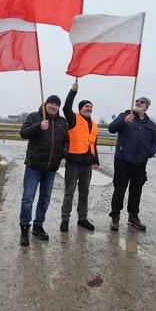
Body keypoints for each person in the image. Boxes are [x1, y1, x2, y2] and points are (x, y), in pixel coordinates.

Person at [19, 94, 69, 246]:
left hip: (51, 168)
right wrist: (38, 126)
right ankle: (24, 229)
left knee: (45, 199)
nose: (53, 106)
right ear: (46, 104)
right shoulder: (35, 117)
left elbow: (66, 141)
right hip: (33, 166)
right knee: (28, 198)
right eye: (51, 103)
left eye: (56, 104)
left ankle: (38, 226)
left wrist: (63, 154)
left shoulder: (62, 122)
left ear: (59, 107)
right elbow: (23, 133)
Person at [107, 97, 156, 231]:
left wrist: (149, 152)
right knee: (119, 190)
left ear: (146, 107)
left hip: (140, 163)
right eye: (137, 101)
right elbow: (111, 128)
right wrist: (124, 122)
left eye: (142, 102)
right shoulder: (125, 115)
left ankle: (133, 217)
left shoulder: (151, 124)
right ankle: (115, 217)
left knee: (136, 191)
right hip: (122, 160)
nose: (138, 103)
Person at [60, 81, 99, 232]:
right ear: (80, 109)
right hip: (73, 162)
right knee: (69, 192)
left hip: (87, 164)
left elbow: (93, 143)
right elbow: (65, 107)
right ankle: (65, 219)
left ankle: (82, 218)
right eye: (86, 106)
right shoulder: (73, 118)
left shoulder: (94, 125)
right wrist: (73, 92)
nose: (89, 108)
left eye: (90, 107)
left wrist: (96, 160)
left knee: (84, 193)